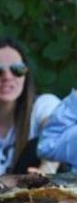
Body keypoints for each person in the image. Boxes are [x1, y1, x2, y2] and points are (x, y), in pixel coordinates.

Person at [0, 38, 60, 175]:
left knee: (36, 145)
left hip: (33, 194)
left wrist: (46, 170)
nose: (7, 77)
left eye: (17, 69)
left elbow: (56, 133)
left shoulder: (42, 105)